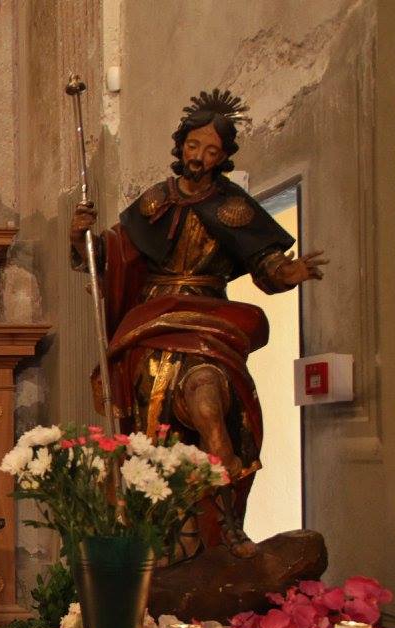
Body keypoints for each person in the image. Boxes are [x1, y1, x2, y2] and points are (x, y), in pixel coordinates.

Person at [70, 89, 327, 557]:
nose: (199, 157)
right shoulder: (155, 201)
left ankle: (229, 524)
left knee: (213, 408)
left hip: (209, 318)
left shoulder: (234, 207)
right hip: (154, 316)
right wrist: (82, 237)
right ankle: (150, 531)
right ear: (181, 145)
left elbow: (265, 261)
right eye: (193, 146)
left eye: (211, 151)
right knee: (149, 430)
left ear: (223, 157)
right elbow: (114, 253)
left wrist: (288, 272)